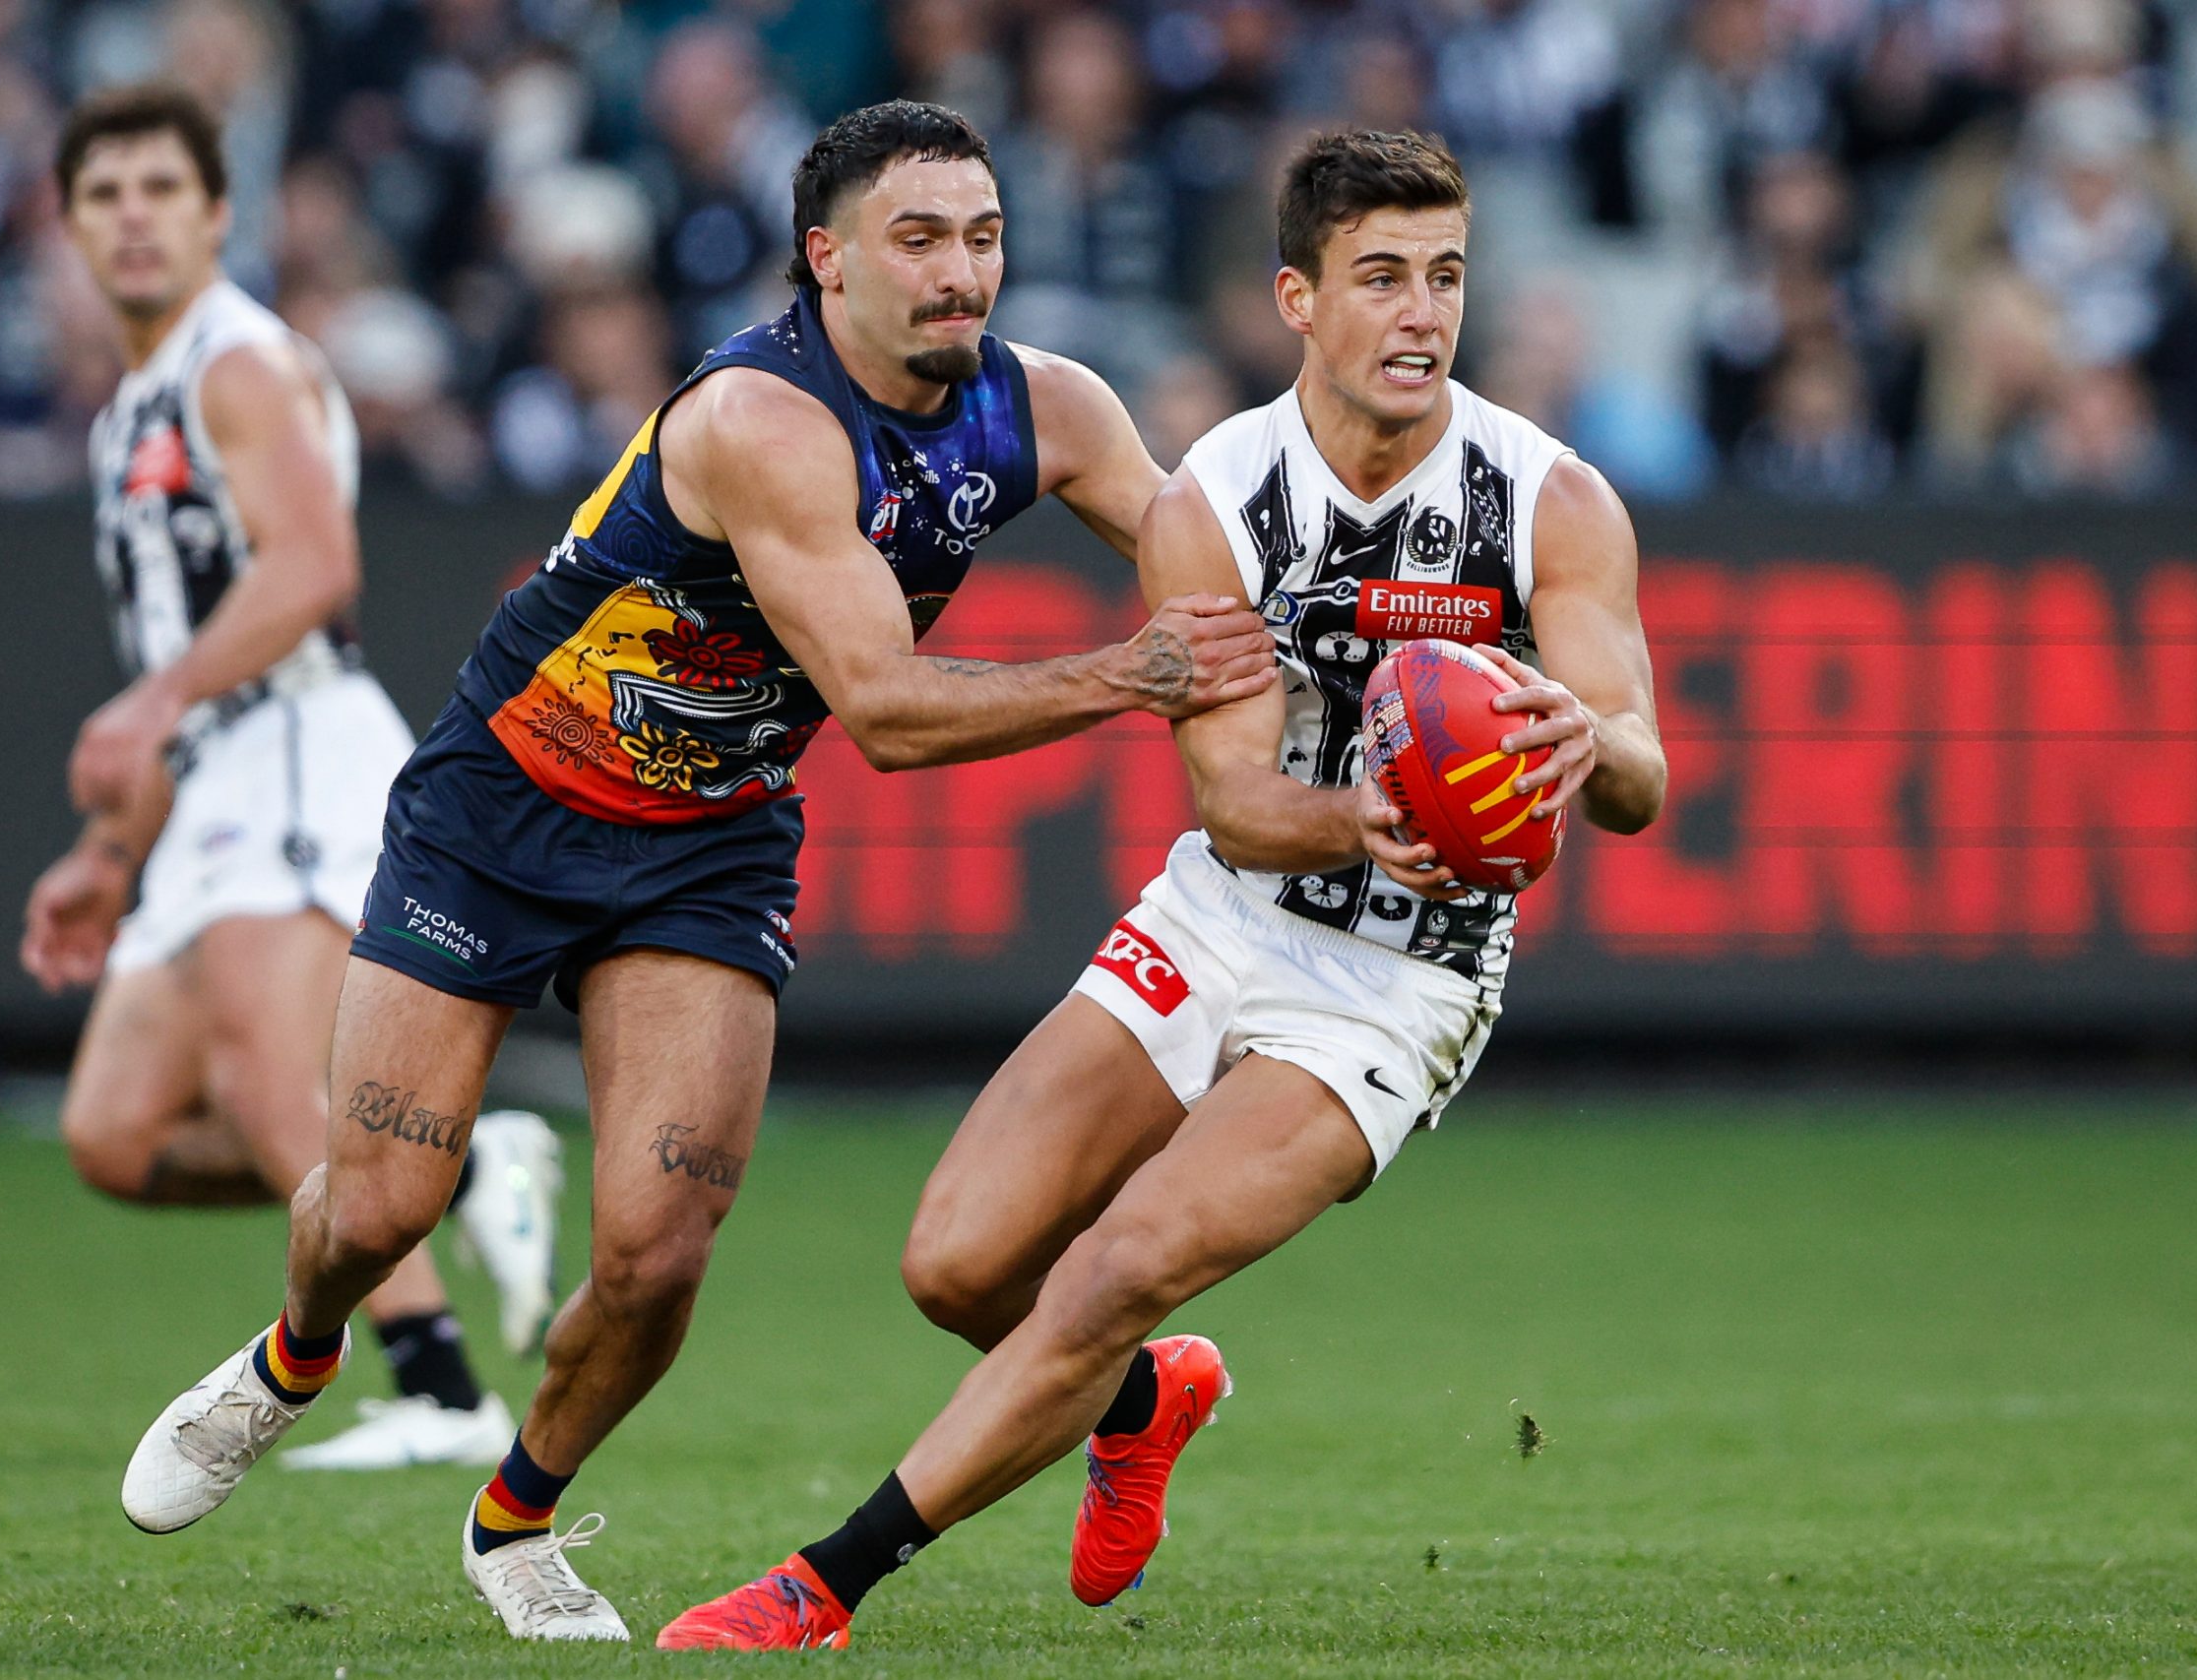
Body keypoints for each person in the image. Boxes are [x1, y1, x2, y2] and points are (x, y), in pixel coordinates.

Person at [117, 99, 1277, 1643]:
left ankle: (515, 1521)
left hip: (707, 842)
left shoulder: (1051, 408)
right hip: (504, 803)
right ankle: (296, 1357)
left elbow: (1223, 562)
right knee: (381, 1207)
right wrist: (1136, 675)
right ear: (828, 259)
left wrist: (1373, 652)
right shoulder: (759, 424)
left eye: (983, 238)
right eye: (918, 240)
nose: (960, 275)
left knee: (659, 1254)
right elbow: (884, 710)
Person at [660, 127, 1668, 1650]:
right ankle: (1146, 1401)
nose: (1421, 314)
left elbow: (1648, 779)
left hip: (1405, 977)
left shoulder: (1553, 501)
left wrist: (1586, 739)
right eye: (1381, 278)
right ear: (1298, 300)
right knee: (959, 1261)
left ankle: (825, 1585)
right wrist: (1370, 815)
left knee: (1119, 1264)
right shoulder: (1215, 498)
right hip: (1228, 910)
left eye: (1446, 278)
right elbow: (1242, 810)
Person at [21, 84, 561, 1474]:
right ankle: (459, 1164)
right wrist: (107, 852)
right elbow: (177, 654)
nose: (132, 217)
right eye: (104, 194)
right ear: (70, 224)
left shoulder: (234, 365)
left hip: (296, 743)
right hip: (214, 769)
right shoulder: (132, 401)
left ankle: (441, 1390)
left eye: (160, 190)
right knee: (115, 1135)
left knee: (275, 1081)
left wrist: (152, 703)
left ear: (216, 214)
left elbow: (314, 571)